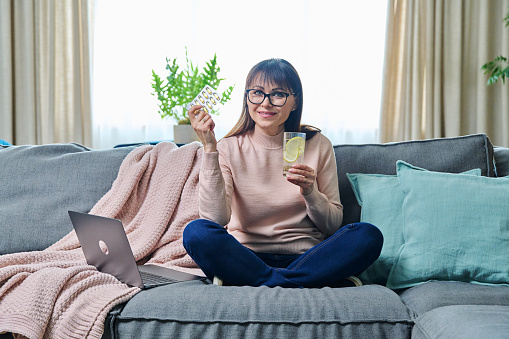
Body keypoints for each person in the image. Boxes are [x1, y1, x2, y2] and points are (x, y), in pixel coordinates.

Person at [183, 58, 383, 288]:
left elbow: (332, 226)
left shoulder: (317, 144)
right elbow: (215, 220)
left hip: (308, 257)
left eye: (277, 95)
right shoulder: (229, 147)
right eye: (257, 93)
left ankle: (265, 281)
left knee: (368, 235)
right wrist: (210, 148)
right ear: (247, 98)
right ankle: (298, 281)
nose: (265, 103)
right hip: (245, 257)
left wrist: (311, 192)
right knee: (196, 232)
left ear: (294, 102)